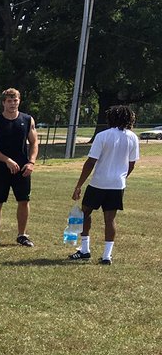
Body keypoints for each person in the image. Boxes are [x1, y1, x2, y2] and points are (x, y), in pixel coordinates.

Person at [67, 104, 139, 265]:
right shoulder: (133, 137)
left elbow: (91, 161)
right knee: (110, 218)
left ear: (111, 118)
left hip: (99, 182)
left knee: (85, 213)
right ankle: (107, 256)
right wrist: (121, 177)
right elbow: (132, 164)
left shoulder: (103, 135)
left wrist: (79, 185)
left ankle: (85, 250)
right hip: (117, 184)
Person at [0, 88, 38, 247]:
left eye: (15, 100)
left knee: (23, 200)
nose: (13, 104)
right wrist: (7, 160)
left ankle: (22, 235)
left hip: (23, 169)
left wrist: (31, 162)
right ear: (3, 103)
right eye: (9, 101)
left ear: (19, 101)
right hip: (1, 169)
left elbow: (34, 143)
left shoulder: (27, 120)